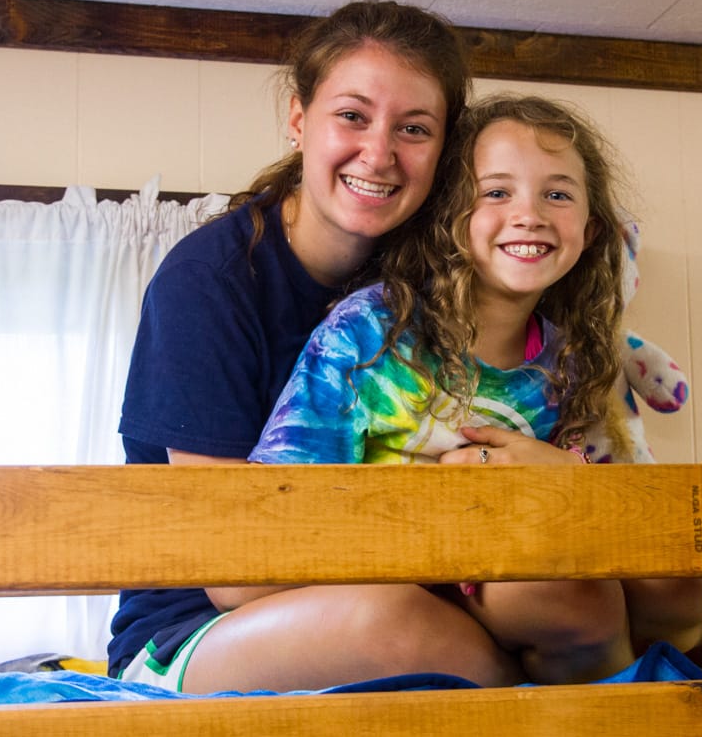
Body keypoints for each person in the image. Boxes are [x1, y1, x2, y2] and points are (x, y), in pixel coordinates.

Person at [109, 0, 539, 694]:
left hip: (424, 588)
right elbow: (233, 574)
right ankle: (559, 709)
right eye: (352, 115)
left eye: (414, 128)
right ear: (299, 118)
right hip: (198, 632)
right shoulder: (208, 282)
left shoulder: (443, 283)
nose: (379, 152)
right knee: (395, 623)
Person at [248, 95, 641, 684]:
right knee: (563, 600)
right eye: (496, 192)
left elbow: (608, 517)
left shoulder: (571, 362)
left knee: (631, 589)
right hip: (360, 587)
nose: (529, 214)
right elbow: (273, 522)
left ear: (588, 229)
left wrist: (567, 477)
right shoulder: (373, 332)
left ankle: (637, 703)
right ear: (449, 215)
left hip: (503, 581)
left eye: (557, 194)